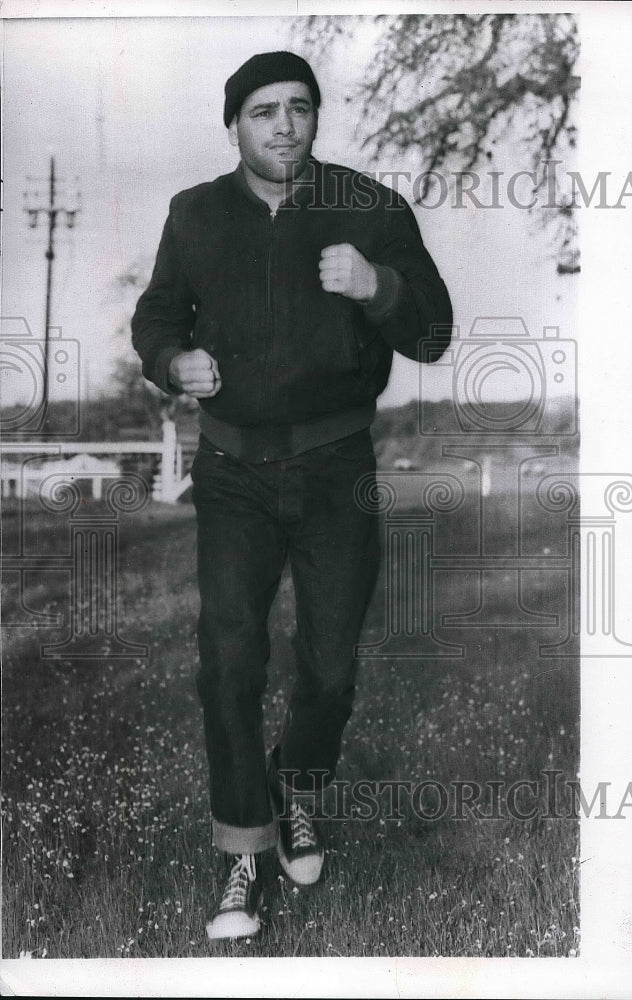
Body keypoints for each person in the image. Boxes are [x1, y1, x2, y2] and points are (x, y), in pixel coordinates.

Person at [131, 50, 453, 941]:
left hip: (335, 466)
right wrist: (171, 361)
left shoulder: (370, 209)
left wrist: (377, 285)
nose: (284, 125)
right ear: (233, 123)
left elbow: (433, 331)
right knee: (229, 662)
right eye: (264, 110)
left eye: (299, 108)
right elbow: (157, 315)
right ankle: (242, 846)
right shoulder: (193, 215)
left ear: (316, 117)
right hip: (232, 471)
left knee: (331, 668)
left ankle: (299, 786)